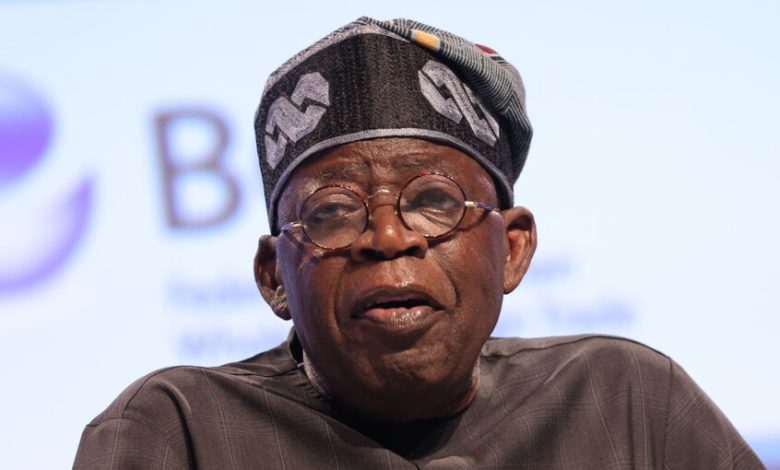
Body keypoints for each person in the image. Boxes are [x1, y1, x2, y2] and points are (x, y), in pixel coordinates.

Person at [73, 17, 763, 469]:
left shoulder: (626, 399)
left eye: (433, 202)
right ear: (274, 276)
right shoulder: (180, 429)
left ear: (512, 249)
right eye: (333, 212)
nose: (387, 237)